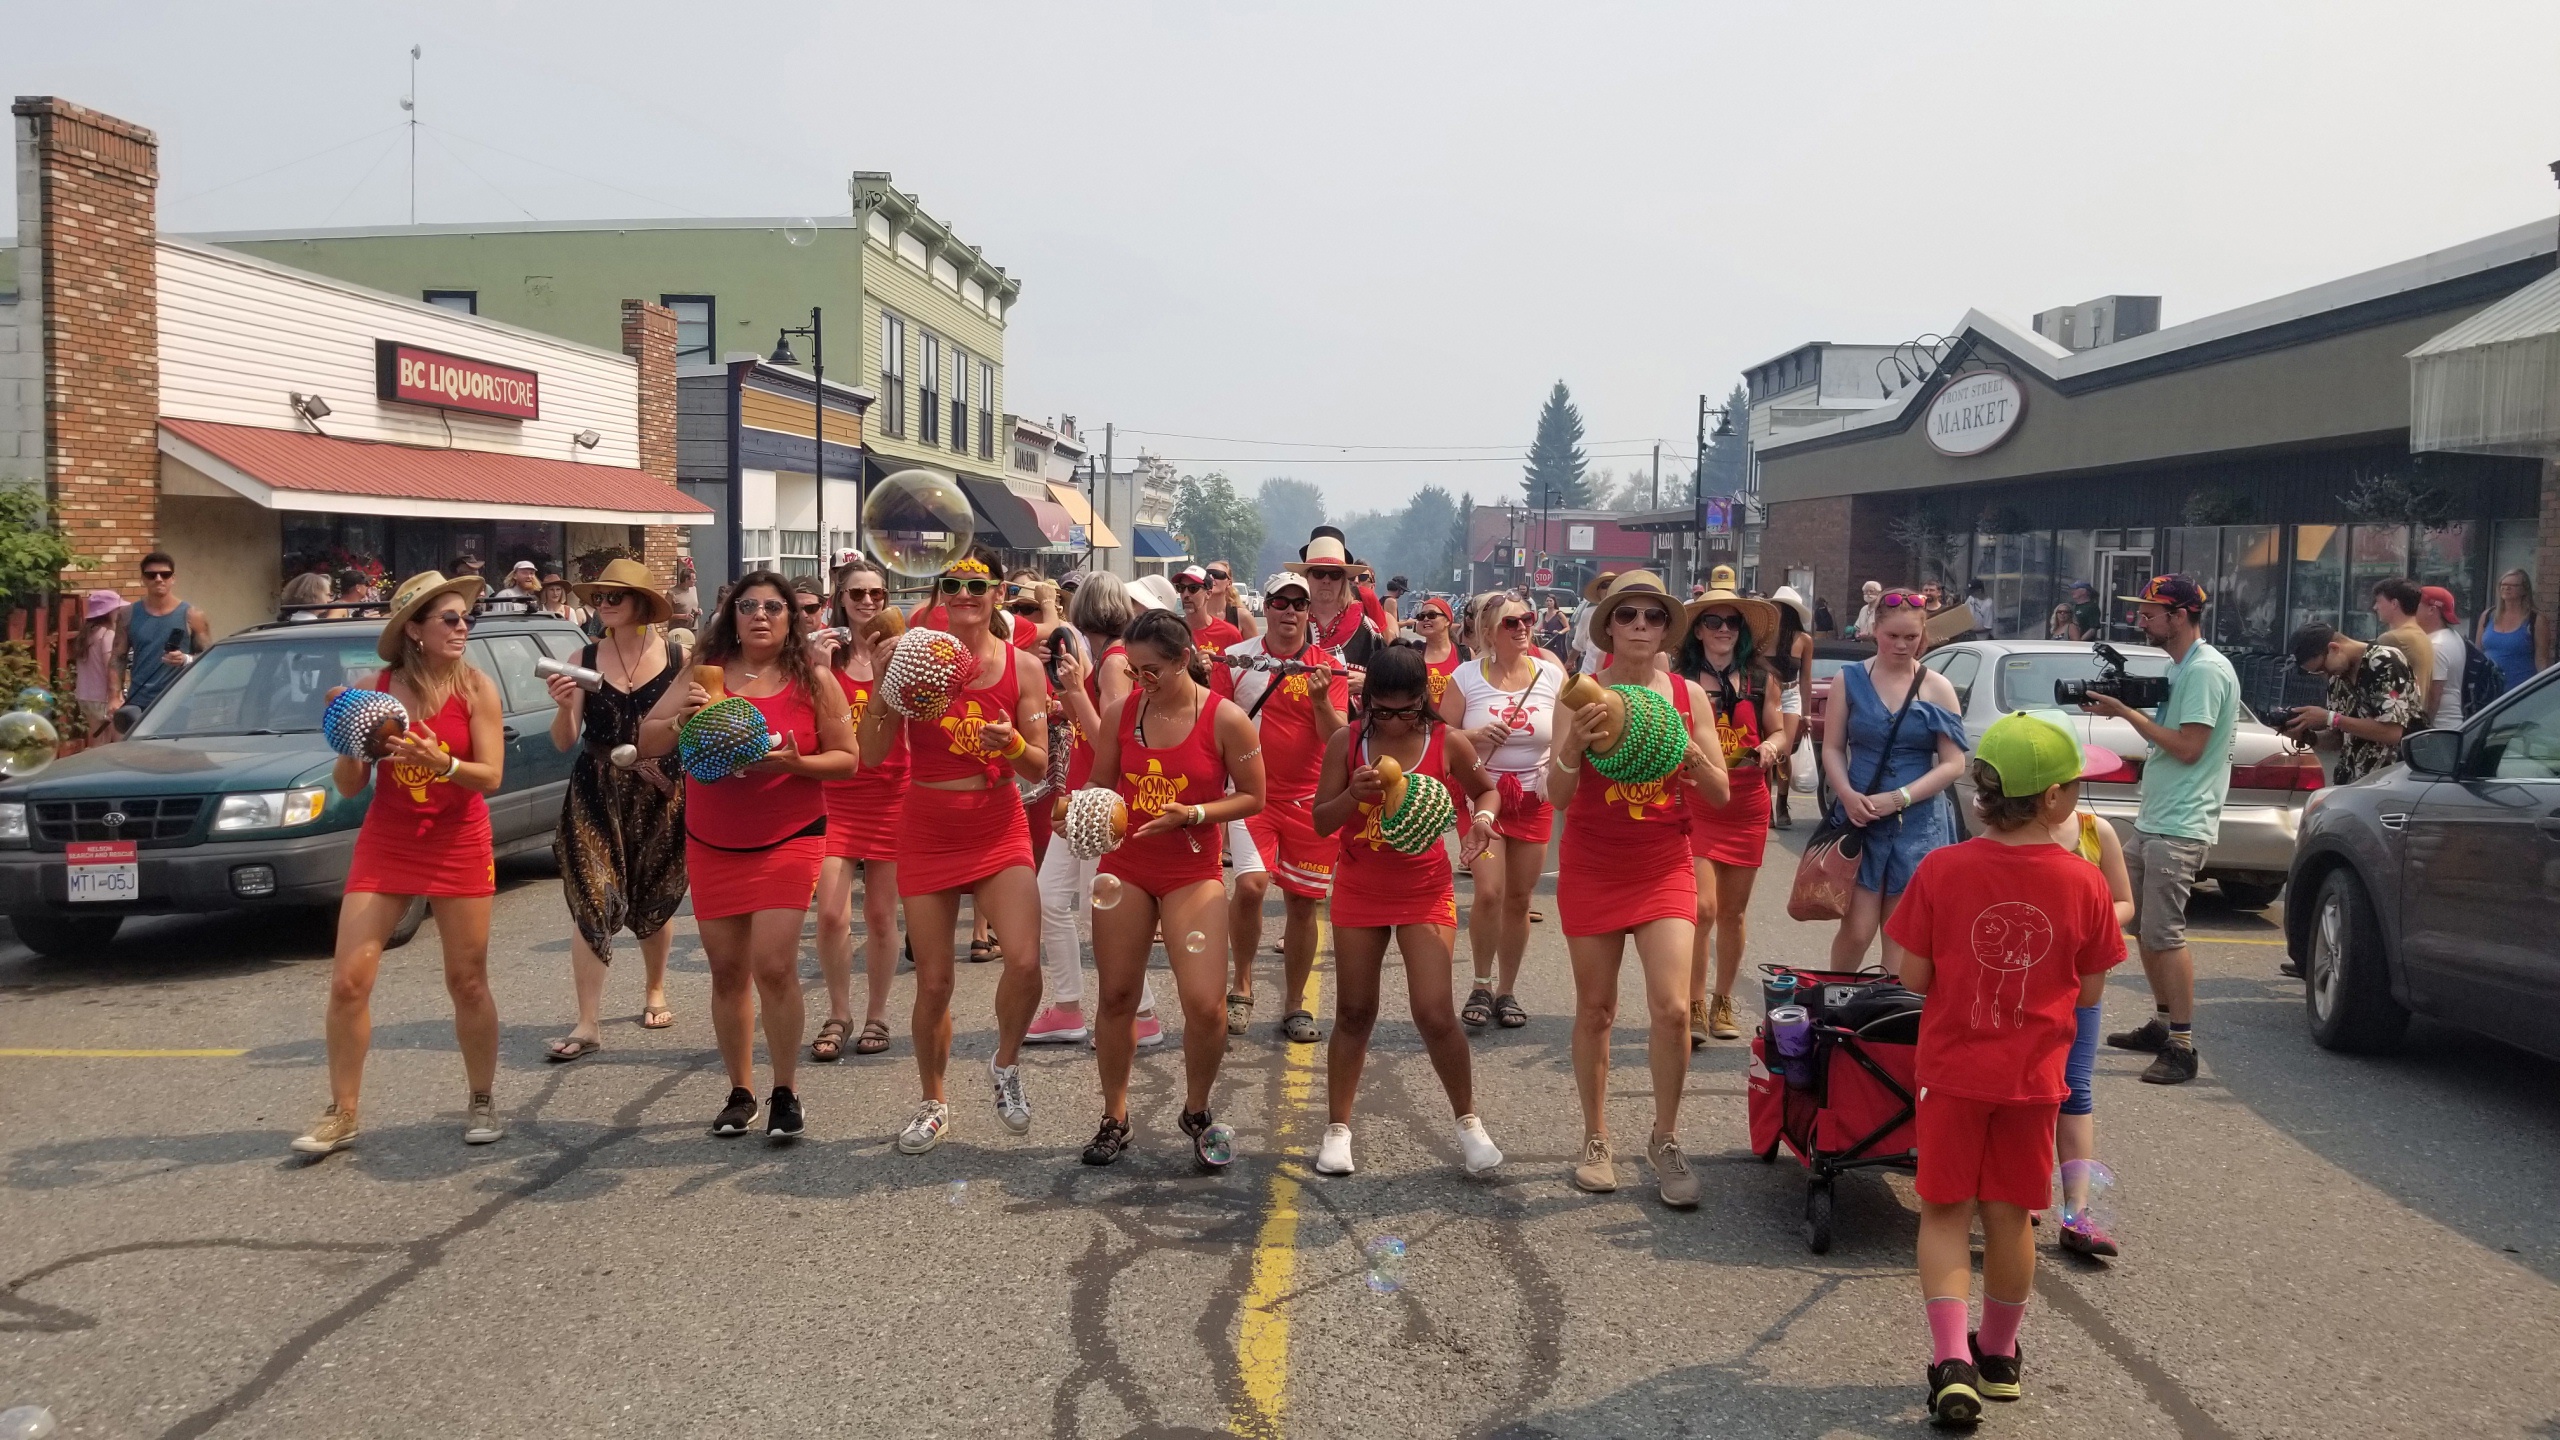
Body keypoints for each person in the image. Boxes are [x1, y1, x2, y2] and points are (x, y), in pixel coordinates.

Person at [1886, 713, 2126, 1425]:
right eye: (2075, 784)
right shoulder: (2085, 882)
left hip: (1952, 1073)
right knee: (2012, 1215)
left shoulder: (1942, 869)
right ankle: (1997, 1355)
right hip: (2034, 1079)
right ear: (2052, 798)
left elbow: (1912, 976)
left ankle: (1949, 1362)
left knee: (1944, 1211)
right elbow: (2089, 991)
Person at [292, 571, 509, 1155]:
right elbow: (350, 784)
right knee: (348, 981)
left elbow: (491, 776)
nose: (463, 627)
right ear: (414, 629)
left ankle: (482, 1097)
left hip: (458, 841)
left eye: (467, 618)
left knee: (467, 982)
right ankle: (343, 1112)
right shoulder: (376, 690)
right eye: (450, 619)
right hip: (388, 841)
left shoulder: (476, 689)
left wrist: (443, 764)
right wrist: (347, 743)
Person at [640, 571, 857, 1139]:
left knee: (774, 965)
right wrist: (682, 719)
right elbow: (647, 739)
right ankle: (740, 1092)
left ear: (791, 619)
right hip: (713, 840)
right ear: (731, 616)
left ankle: (786, 1090)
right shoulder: (704, 672)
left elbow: (848, 759)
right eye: (748, 605)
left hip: (790, 835)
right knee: (727, 971)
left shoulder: (813, 680)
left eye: (773, 607)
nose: (760, 615)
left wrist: (797, 765)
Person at [857, 553, 1054, 1154]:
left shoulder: (1022, 666)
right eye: (953, 584)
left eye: (976, 584)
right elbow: (871, 753)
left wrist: (1012, 743)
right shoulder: (915, 657)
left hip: (997, 824)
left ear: (997, 594)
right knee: (935, 981)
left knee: (1025, 961)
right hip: (928, 826)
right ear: (941, 593)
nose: (964, 593)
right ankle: (933, 1102)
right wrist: (883, 683)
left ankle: (1005, 1064)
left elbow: (1039, 765)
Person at [1550, 571, 1729, 1208]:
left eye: (1653, 616)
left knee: (1674, 1008)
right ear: (1609, 626)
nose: (1641, 626)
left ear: (1667, 628)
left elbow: (1720, 794)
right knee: (1596, 1010)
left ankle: (1664, 1138)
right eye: (1627, 615)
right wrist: (1573, 746)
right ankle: (1595, 1138)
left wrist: (1694, 761)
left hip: (1663, 865)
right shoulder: (1581, 693)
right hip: (1593, 865)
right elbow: (1558, 796)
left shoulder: (1687, 695)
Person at [1072, 610, 1267, 1166]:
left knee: (1205, 1005)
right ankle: (1114, 1117)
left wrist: (1195, 813)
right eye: (1133, 670)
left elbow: (1254, 796)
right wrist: (1080, 813)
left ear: (1185, 659)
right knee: (1116, 996)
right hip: (1127, 865)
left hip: (1191, 869)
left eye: (1151, 670)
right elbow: (1100, 783)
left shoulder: (1226, 718)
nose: (1141, 681)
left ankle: (1196, 1108)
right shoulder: (1122, 711)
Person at [1310, 643, 1505, 1177]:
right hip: (1360, 887)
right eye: (1383, 710)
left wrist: (1481, 822)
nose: (1395, 721)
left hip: (1424, 888)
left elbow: (1487, 793)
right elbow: (1322, 822)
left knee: (1434, 1012)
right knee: (1354, 1012)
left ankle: (1469, 1124)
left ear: (1424, 698)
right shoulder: (1347, 741)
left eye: (1407, 710)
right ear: (1367, 699)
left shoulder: (1447, 740)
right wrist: (1352, 795)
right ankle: (1337, 1130)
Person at [2081, 575, 2237, 1087]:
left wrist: (2126, 714)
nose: (2140, 621)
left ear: (2181, 615)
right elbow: (2174, 737)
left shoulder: (2206, 670)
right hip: (2157, 818)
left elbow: (2190, 748)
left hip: (2181, 823)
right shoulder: (2181, 666)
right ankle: (2163, 1022)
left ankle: (2182, 1046)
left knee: (2165, 934)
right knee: (2142, 928)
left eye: (2150, 614)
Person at [542, 559, 689, 1062]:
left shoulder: (678, 657)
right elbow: (564, 741)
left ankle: (655, 989)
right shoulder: (581, 656)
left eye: (614, 597)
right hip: (596, 788)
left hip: (659, 788)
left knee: (655, 893)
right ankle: (587, 1021)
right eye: (598, 597)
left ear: (641, 604)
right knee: (592, 894)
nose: (603, 605)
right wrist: (563, 706)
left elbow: (693, 724)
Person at [1034, 573, 1165, 1048]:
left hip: (1101, 800)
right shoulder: (1104, 656)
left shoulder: (1113, 662)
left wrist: (1072, 689)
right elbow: (1086, 725)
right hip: (1085, 796)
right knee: (1050, 898)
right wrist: (1063, 690)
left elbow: (1111, 738)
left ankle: (1141, 1015)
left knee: (1100, 911)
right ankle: (1068, 1006)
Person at [1218, 571, 1350, 1042]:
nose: (1289, 611)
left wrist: (1320, 700)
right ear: (1266, 607)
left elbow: (1337, 738)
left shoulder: (1327, 667)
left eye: (1299, 604)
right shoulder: (1236, 659)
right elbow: (1213, 722)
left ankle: (1296, 1005)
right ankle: (1242, 987)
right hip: (1251, 796)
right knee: (1251, 886)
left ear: (1309, 612)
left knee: (1302, 903)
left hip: (1311, 801)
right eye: (1280, 602)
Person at [1819, 590, 1970, 973]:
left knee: (1901, 938)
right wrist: (1846, 794)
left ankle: (1889, 1008)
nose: (1902, 645)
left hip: (1918, 825)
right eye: (1893, 636)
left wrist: (1900, 798)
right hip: (1861, 818)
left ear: (1923, 635)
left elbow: (1954, 763)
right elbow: (1833, 748)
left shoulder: (1937, 686)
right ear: (1875, 630)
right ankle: (1836, 999)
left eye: (1911, 637)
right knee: (1857, 931)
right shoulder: (1849, 679)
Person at [806, 562, 911, 1062]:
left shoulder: (904, 652)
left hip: (892, 793)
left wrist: (897, 670)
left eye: (877, 593)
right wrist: (817, 670)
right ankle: (839, 1012)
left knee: (882, 916)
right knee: (830, 914)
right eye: (858, 594)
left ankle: (877, 1014)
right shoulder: (825, 653)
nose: (868, 602)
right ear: (840, 599)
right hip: (836, 796)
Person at [1444, 591, 1563, 1031]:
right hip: (1482, 798)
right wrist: (1474, 735)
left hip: (1533, 801)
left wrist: (1557, 770)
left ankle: (1507, 990)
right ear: (1490, 633)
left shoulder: (1551, 675)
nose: (1523, 628)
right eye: (1512, 623)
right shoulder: (1466, 677)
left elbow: (1566, 734)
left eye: (1527, 619)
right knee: (1490, 892)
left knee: (1518, 899)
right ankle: (1481, 982)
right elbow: (1440, 734)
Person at [2040, 719, 2137, 1258]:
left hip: (2081, 986)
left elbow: (2124, 902)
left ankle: (2076, 1212)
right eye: (2074, 783)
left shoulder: (2097, 832)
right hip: (2025, 986)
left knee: (2075, 1090)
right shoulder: (2009, 838)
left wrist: (2092, 925)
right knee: (2027, 1090)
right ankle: (2021, 1194)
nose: (2080, 793)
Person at [1675, 581, 1786, 1045]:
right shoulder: (1679, 680)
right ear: (1698, 630)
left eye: (1732, 622)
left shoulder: (1761, 679)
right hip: (1697, 803)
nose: (1723, 629)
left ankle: (1723, 1000)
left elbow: (1779, 731)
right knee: (1702, 909)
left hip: (1747, 805)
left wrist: (1771, 747)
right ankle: (1694, 1004)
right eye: (1713, 621)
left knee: (1733, 914)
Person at [2280, 622, 2420, 785]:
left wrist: (2330, 718)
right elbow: (2339, 739)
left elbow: (2392, 732)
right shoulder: (2336, 678)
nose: (2325, 675)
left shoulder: (2384, 661)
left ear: (2334, 648)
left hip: (2390, 781)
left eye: (2323, 669)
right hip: (2351, 781)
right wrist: (2306, 736)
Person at [115, 552, 212, 715]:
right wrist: (114, 696)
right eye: (151, 575)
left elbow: (209, 658)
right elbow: (118, 657)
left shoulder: (193, 615)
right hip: (139, 700)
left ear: (173, 578)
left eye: (165, 574)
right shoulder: (128, 614)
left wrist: (185, 659)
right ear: (143, 579)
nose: (159, 579)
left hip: (179, 701)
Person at [1766, 586, 1817, 831]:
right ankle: (1766, 807)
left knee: (1783, 753)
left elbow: (1806, 678)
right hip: (1767, 693)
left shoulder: (1803, 640)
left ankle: (1782, 804)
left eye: (1778, 607)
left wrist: (1807, 713)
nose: (1774, 611)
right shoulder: (1764, 635)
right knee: (1766, 751)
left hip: (1790, 693)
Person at [1296, 532, 1382, 672]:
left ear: (1343, 580)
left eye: (1335, 574)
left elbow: (1388, 677)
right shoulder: (1291, 622)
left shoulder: (1367, 629)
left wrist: (1367, 681)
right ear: (1306, 576)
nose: (1326, 580)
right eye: (1318, 573)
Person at [2370, 578, 2434, 712]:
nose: (2375, 607)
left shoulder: (2391, 639)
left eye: (2379, 601)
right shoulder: (2423, 636)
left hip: (2395, 718)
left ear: (2394, 604)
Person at [2478, 567, 2543, 695]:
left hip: (2521, 690)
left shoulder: (2535, 620)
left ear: (2524, 590)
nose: (2506, 588)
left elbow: (2541, 660)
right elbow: (2478, 652)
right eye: (2503, 584)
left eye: (2513, 585)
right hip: (2488, 690)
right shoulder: (2488, 616)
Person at [72, 590, 124, 741]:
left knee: (98, 742)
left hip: (86, 697)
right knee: (119, 743)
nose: (119, 612)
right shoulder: (107, 635)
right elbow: (111, 667)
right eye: (117, 609)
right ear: (108, 612)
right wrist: (116, 696)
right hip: (105, 698)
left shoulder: (86, 636)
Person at [2418, 584, 2470, 729]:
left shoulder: (2436, 645)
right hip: (2451, 725)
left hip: (2438, 728)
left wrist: (2424, 728)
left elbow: (2435, 694)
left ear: (2431, 610)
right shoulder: (2453, 636)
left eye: (2416, 605)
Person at [1177, 565, 1244, 653]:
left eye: (1193, 588)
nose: (1186, 594)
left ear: (1208, 594)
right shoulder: (1171, 632)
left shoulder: (1230, 633)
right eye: (1181, 588)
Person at [1412, 596, 1465, 703]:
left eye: (1432, 615)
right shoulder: (1413, 652)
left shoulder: (1465, 653)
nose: (1425, 619)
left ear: (1447, 621)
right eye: (1421, 616)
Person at [1204, 563, 1260, 642]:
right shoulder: (1194, 616)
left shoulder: (1241, 616)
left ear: (1229, 583)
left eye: (1217, 575)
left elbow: (1255, 647)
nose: (1211, 578)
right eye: (1207, 575)